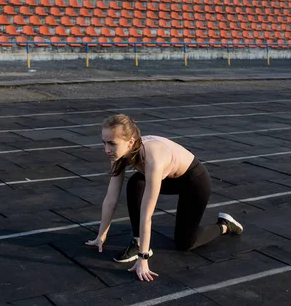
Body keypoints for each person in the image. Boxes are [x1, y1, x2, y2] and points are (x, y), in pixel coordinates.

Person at [85, 114, 243, 282]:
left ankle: (225, 225)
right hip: (169, 177)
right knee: (135, 183)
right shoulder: (117, 154)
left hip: (193, 181)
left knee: (185, 243)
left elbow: (147, 214)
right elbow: (111, 198)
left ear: (130, 142)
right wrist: (101, 235)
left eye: (112, 144)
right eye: (104, 143)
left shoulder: (153, 157)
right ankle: (138, 241)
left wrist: (143, 259)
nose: (106, 150)